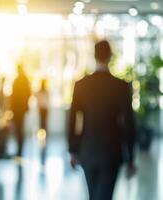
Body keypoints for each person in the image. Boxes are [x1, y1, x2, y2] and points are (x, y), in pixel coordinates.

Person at [68, 40, 136, 200]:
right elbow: (129, 124)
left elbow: (72, 120)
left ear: (94, 56)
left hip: (87, 150)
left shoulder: (81, 85)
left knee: (93, 195)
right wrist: (131, 157)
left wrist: (72, 150)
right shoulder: (121, 86)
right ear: (110, 56)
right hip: (112, 152)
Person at [11, 64, 31, 157]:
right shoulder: (23, 80)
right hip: (20, 108)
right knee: (19, 129)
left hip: (18, 108)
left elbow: (13, 96)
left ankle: (20, 149)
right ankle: (19, 149)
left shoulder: (19, 80)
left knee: (19, 129)